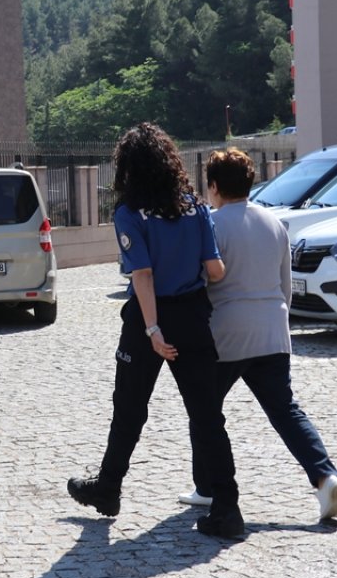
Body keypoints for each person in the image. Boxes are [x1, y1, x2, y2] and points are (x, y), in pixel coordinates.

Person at [65, 122, 244, 538]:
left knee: (129, 408)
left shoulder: (129, 214)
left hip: (151, 319)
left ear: (128, 168)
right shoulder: (195, 207)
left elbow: (142, 274)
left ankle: (108, 488)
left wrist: (152, 329)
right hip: (193, 315)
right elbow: (215, 268)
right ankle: (228, 507)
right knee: (207, 415)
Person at [176, 147, 337, 520]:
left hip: (226, 333)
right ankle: (325, 477)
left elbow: (200, 282)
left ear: (215, 186)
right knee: (285, 411)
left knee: (204, 411)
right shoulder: (274, 224)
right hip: (272, 328)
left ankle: (207, 487)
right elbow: (284, 286)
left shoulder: (212, 224)